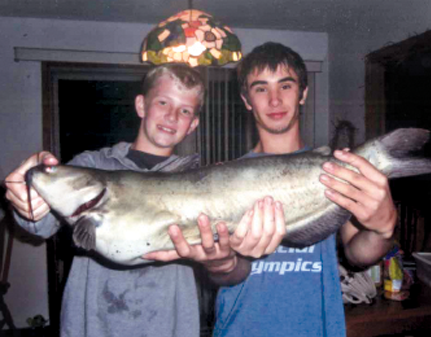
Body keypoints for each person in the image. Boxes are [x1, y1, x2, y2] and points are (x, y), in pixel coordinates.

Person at [5, 63, 284, 337]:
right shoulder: (93, 164)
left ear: (193, 124)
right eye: (163, 102)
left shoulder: (203, 182)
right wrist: (26, 202)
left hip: (169, 327)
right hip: (91, 326)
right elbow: (39, 226)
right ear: (141, 105)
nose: (172, 116)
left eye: (185, 110)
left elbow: (236, 272)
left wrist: (224, 261)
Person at [159, 42, 397, 336]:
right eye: (261, 89)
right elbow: (229, 274)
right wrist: (221, 263)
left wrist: (382, 230)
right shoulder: (221, 179)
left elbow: (358, 254)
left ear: (303, 93)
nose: (274, 100)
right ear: (247, 100)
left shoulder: (334, 170)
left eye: (285, 86)